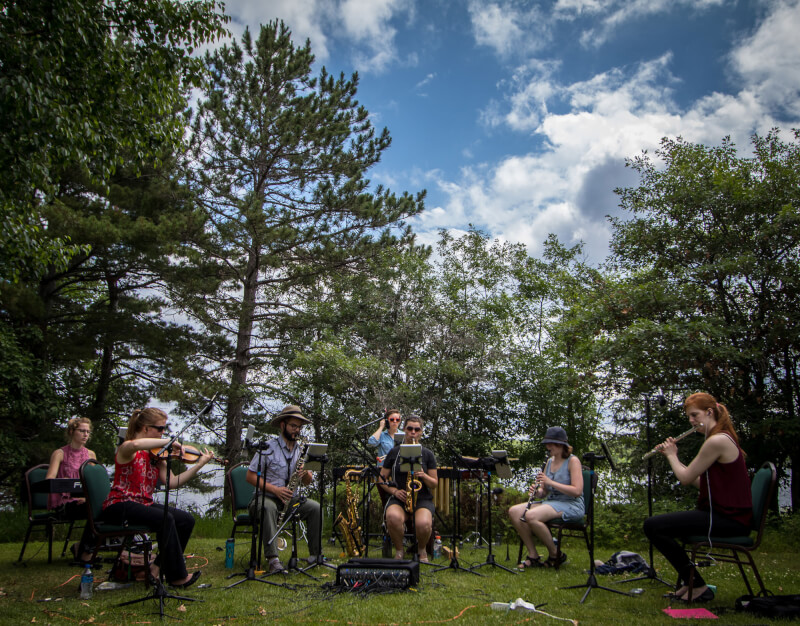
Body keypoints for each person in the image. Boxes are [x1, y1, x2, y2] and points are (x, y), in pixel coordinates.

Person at [643, 392, 752, 603]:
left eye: (695, 415)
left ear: (709, 412)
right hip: (724, 515)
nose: (692, 421)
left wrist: (672, 456)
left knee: (653, 526)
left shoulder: (717, 441)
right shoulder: (718, 438)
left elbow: (684, 478)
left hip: (729, 519)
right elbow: (701, 482)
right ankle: (690, 581)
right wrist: (672, 458)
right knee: (658, 526)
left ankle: (697, 584)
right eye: (689, 418)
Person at [98, 407, 213, 588]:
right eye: (160, 429)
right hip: (119, 504)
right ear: (145, 428)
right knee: (165, 518)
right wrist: (171, 442)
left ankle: (156, 568)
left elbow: (173, 482)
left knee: (185, 520)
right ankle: (177, 577)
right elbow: (136, 445)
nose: (163, 433)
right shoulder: (127, 448)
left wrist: (198, 465)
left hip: (143, 505)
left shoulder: (156, 456)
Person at [246, 405, 322, 574]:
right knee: (268, 507)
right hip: (265, 498)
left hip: (289, 500)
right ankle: (273, 560)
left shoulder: (301, 450)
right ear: (283, 425)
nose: (297, 430)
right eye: (293, 426)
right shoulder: (268, 447)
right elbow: (250, 477)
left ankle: (315, 556)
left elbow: (308, 482)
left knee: (315, 508)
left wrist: (305, 473)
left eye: (299, 427)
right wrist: (275, 490)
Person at [508, 426, 584, 569]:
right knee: (514, 511)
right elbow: (544, 491)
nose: (548, 447)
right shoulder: (549, 462)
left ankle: (556, 555)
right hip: (551, 502)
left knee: (531, 515)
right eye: (547, 443)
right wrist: (537, 492)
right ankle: (533, 555)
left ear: (561, 444)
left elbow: (577, 491)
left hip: (571, 504)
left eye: (551, 443)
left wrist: (550, 482)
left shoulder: (573, 461)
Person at [379, 415, 438, 562]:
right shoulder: (394, 452)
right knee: (392, 517)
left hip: (422, 498)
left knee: (423, 524)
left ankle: (422, 549)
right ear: (404, 430)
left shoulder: (427, 454)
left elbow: (434, 483)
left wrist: (423, 475)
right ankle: (400, 550)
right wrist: (394, 491)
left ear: (421, 432)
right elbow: (380, 479)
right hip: (400, 497)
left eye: (417, 429)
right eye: (410, 428)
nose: (413, 432)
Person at [45, 417, 97, 562]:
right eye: (82, 431)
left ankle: (82, 547)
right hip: (65, 503)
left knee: (102, 508)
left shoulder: (91, 455)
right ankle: (85, 552)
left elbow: (95, 483)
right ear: (71, 432)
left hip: (85, 501)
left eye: (88, 431)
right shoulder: (60, 454)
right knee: (93, 510)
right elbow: (50, 480)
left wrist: (86, 497)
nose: (86, 434)